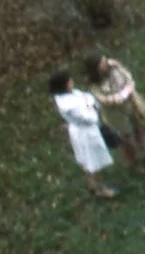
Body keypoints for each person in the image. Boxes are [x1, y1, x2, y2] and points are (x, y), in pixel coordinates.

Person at [49, 70, 117, 198]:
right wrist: (91, 108)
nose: (72, 82)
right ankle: (99, 188)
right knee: (94, 160)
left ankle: (92, 185)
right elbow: (87, 116)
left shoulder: (70, 95)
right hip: (86, 133)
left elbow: (86, 99)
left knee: (88, 159)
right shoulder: (69, 105)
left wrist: (89, 103)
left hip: (82, 131)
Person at [85, 54, 145, 166]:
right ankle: (133, 160)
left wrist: (128, 83)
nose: (106, 64)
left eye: (105, 61)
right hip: (116, 114)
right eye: (102, 64)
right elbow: (106, 100)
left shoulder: (115, 69)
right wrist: (124, 93)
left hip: (131, 104)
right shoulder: (95, 86)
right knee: (127, 137)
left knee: (140, 127)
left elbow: (127, 76)